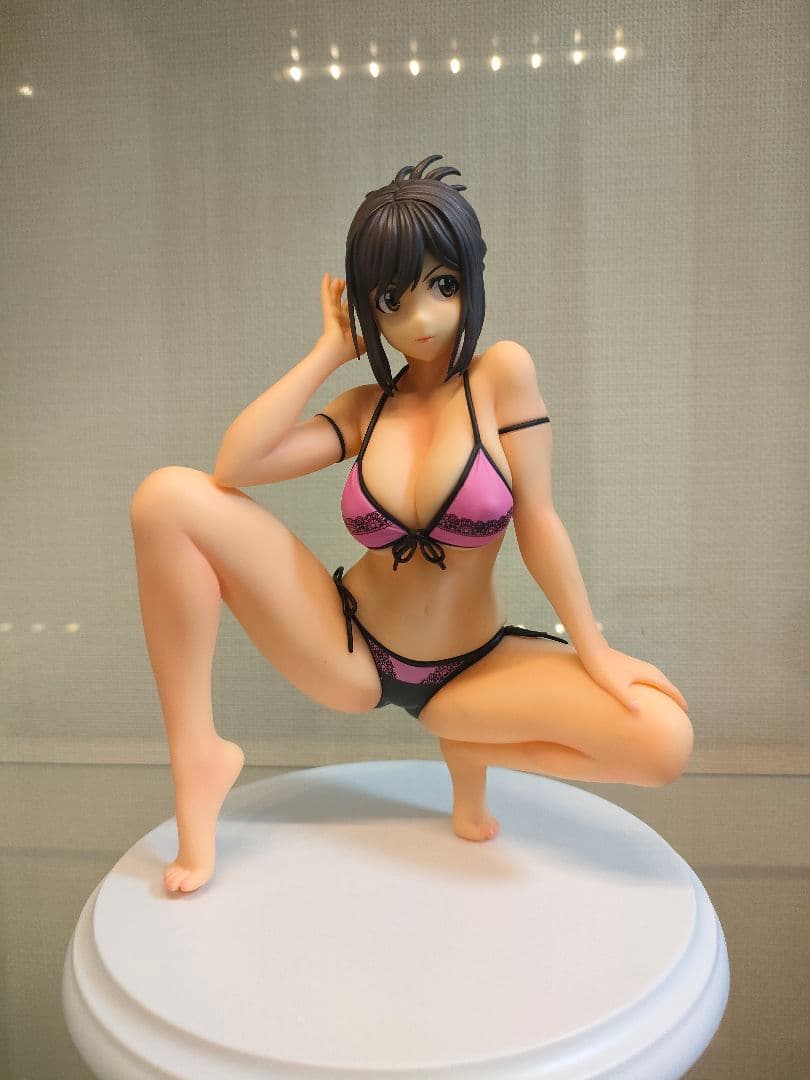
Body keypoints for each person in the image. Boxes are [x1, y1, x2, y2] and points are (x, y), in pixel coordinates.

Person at [130, 155, 693, 894]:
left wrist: (596, 650)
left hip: (469, 670)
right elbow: (236, 465)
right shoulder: (367, 409)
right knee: (166, 498)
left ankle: (467, 738)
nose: (420, 318)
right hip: (349, 650)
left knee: (663, 740)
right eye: (392, 298)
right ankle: (198, 757)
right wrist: (327, 353)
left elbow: (540, 521)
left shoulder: (501, 376)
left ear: (471, 279)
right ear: (370, 308)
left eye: (443, 285)